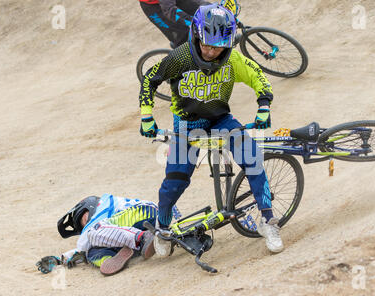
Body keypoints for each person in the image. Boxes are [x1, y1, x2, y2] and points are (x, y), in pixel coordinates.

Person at [139, 3, 284, 255]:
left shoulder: (234, 60)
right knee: (174, 183)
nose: (209, 51)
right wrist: (146, 117)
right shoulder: (180, 57)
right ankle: (162, 229)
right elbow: (150, 80)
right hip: (187, 124)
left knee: (253, 159)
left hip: (220, 120)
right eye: (205, 44)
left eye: (217, 47)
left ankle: (268, 221)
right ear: (196, 36)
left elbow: (259, 77)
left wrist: (263, 107)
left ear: (227, 44)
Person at [36, 194, 181, 276]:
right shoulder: (102, 224)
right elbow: (82, 250)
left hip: (144, 214)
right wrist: (60, 260)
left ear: (90, 206)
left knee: (94, 233)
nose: (86, 224)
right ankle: (111, 258)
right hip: (131, 230)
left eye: (84, 219)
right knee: (91, 253)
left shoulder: (104, 203)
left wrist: (78, 250)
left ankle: (142, 239)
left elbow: (85, 240)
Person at [138, 0, 211, 48]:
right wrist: (192, 20)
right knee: (184, 37)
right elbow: (170, 11)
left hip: (169, 2)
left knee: (205, 11)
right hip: (154, 7)